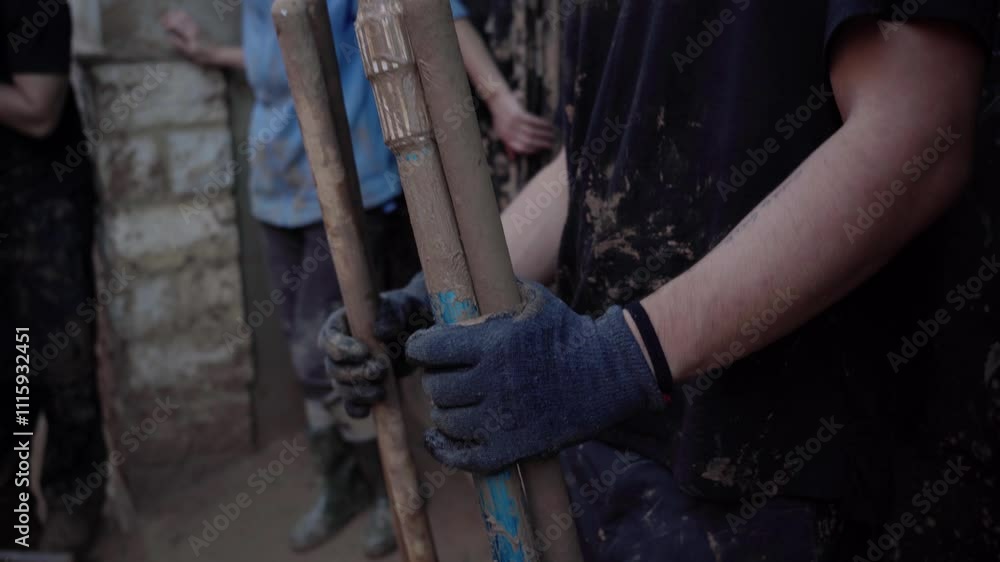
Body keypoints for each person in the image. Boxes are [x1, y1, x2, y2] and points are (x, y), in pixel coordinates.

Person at [321, 2, 1000, 561]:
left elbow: (916, 132)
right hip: (621, 443)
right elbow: (596, 160)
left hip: (784, 469)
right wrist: (429, 303)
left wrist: (615, 360)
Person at [160, 0, 551, 556]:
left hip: (349, 187)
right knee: (311, 352)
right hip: (278, 186)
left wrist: (500, 100)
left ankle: (384, 495)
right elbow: (282, 61)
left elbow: (437, 13)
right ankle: (344, 486)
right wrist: (210, 53)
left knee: (340, 353)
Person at [0, 0, 107, 556]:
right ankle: (17, 525)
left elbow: (38, 109)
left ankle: (74, 506)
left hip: (41, 212)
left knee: (55, 369)